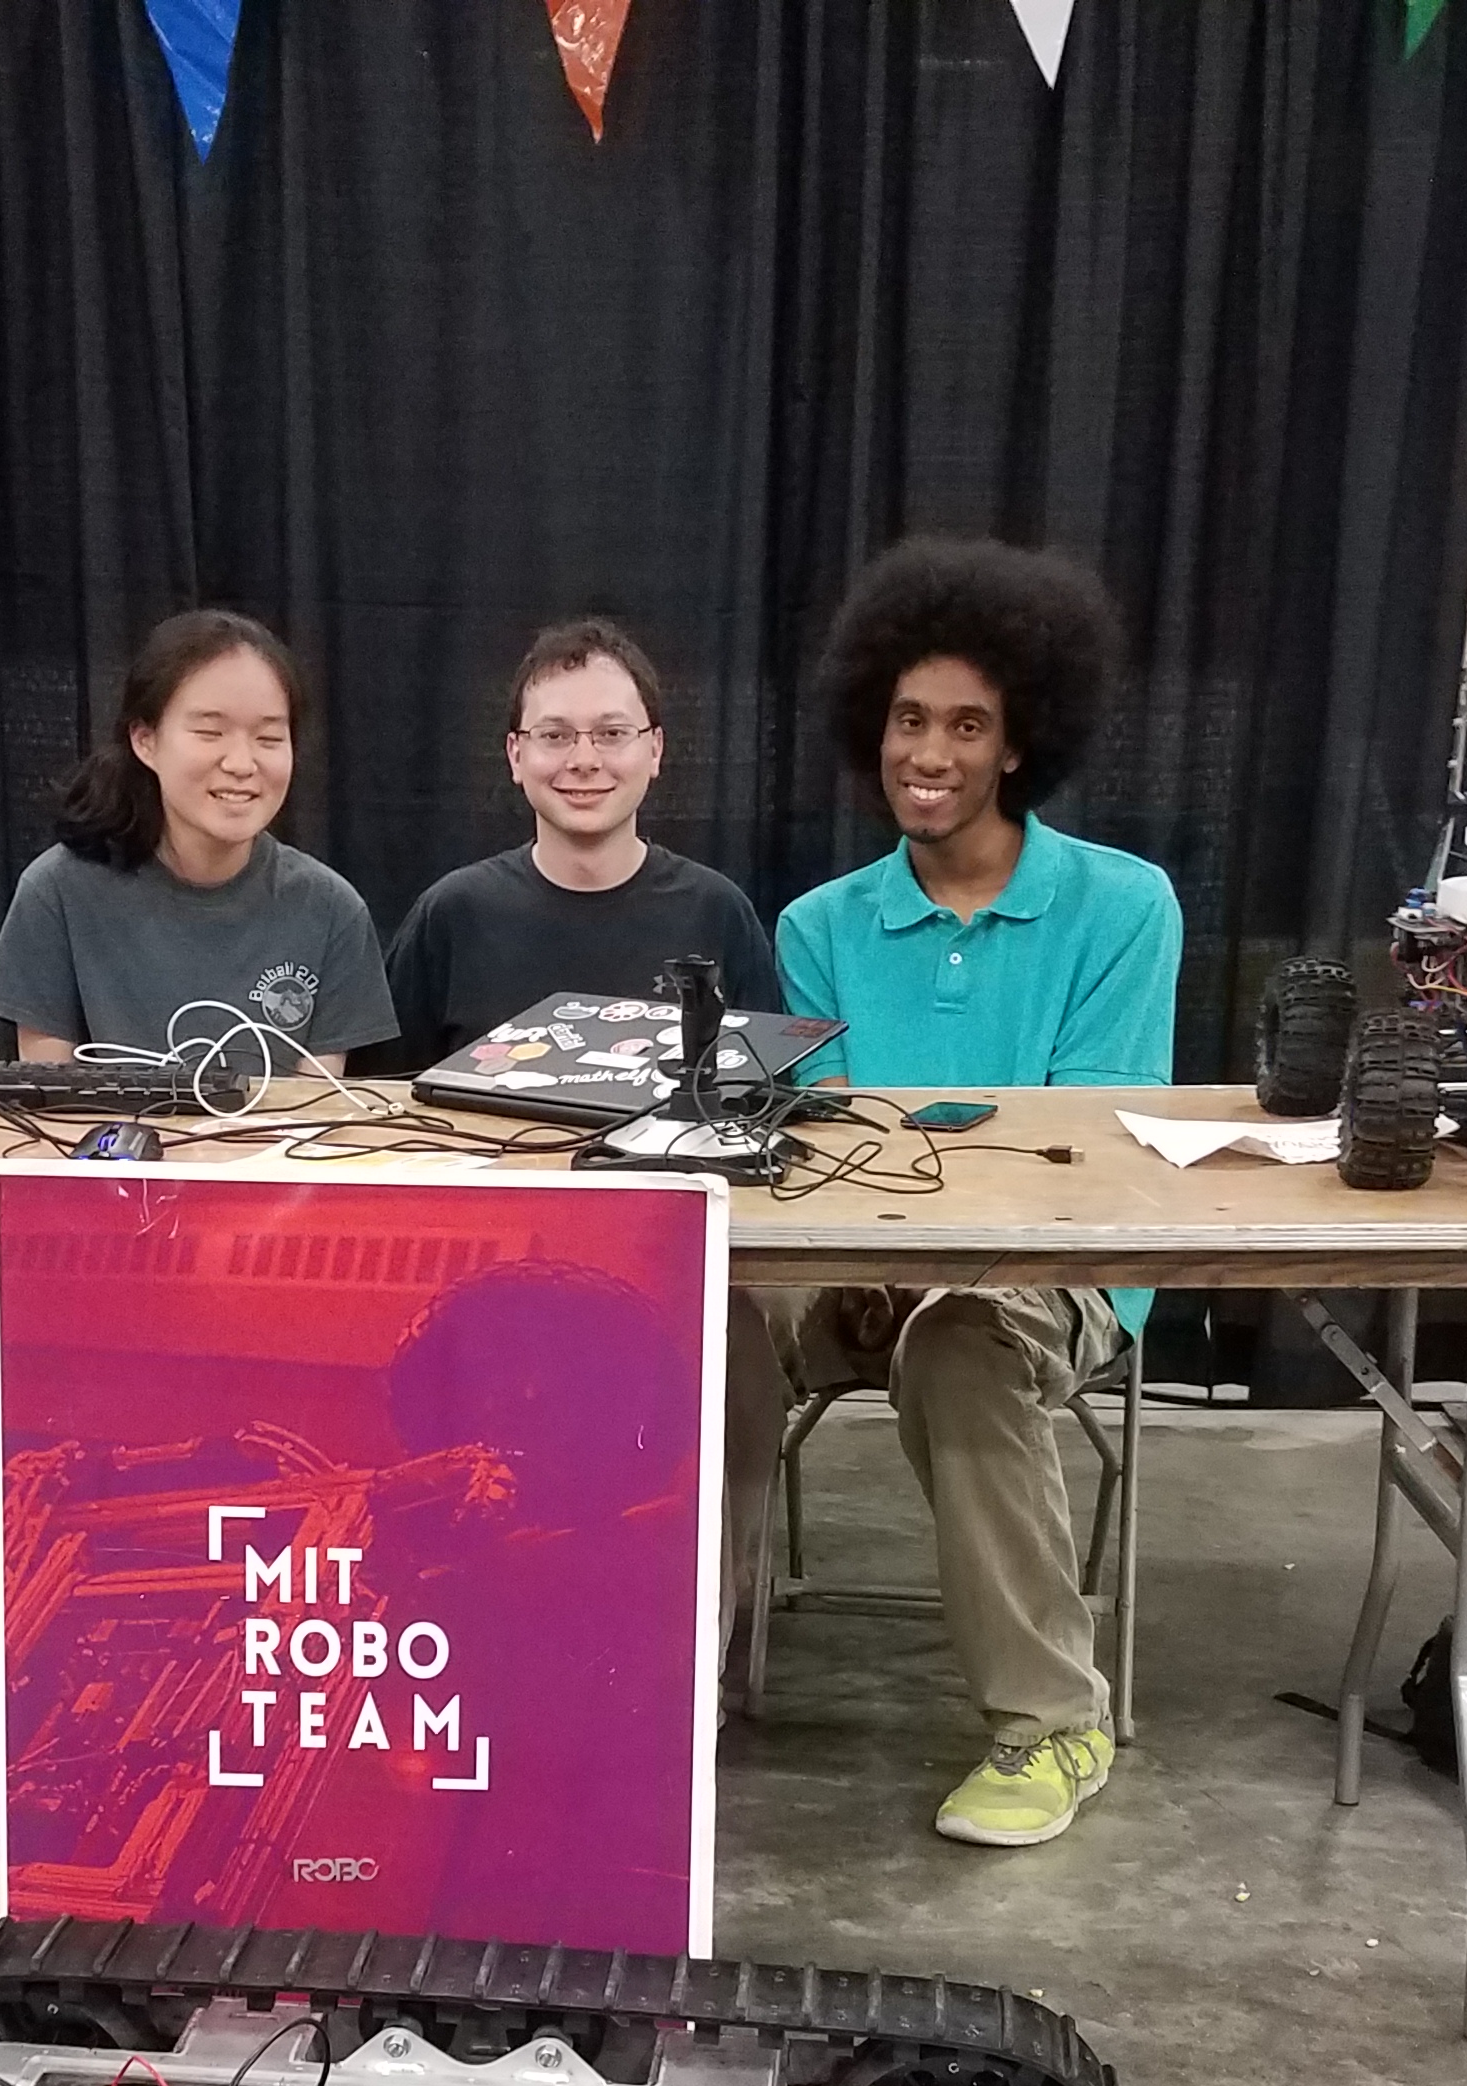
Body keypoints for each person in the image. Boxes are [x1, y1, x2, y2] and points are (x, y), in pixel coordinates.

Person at [737, 538, 1181, 1850]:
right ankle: (671, 1677)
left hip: (1054, 1272)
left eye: (967, 725)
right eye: (908, 719)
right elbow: (828, 1141)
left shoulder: (1124, 907)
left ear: (1019, 741)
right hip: (859, 1258)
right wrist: (872, 1248)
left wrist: (930, 1255)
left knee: (963, 1340)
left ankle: (1054, 1720)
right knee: (711, 1322)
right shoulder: (820, 925)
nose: (928, 753)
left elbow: (1081, 1145)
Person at [0, 608, 394, 1075]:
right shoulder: (58, 892)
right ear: (145, 741)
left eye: (268, 738)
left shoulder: (331, 910)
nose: (241, 763)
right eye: (210, 733)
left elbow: (317, 1108)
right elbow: (47, 1098)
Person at [383, 618, 778, 1062]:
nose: (584, 760)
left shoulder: (718, 913)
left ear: (655, 749)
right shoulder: (451, 917)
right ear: (516, 754)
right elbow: (378, 1096)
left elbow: (764, 1088)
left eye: (612, 734)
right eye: (555, 736)